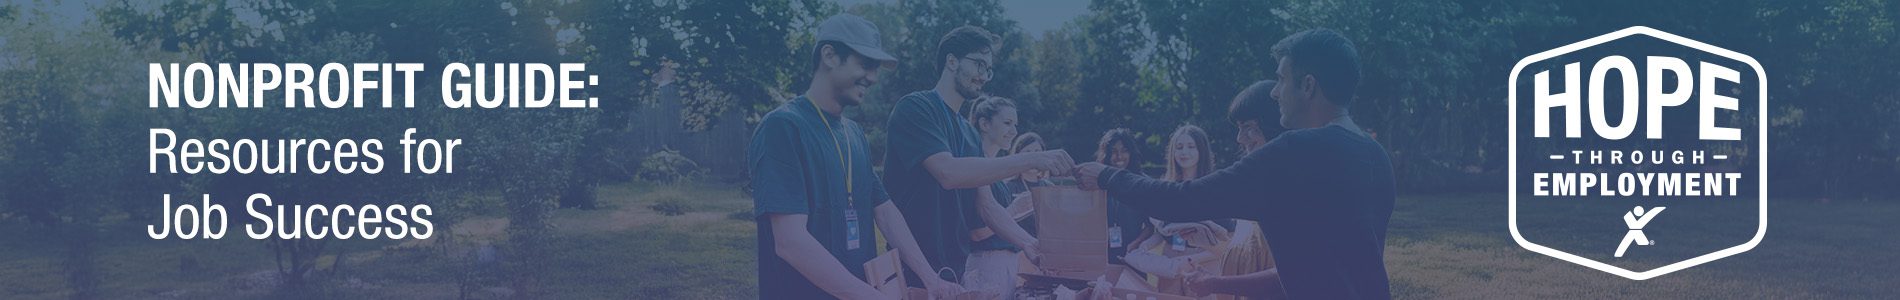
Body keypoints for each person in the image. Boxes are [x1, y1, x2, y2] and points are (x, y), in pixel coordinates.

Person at [1077, 29, 1396, 299]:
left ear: (1308, 85)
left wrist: (1107, 175)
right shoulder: (1376, 156)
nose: (1274, 92)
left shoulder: (1293, 151)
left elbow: (1180, 199)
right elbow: (1316, 267)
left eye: (1281, 78)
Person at [747, 14, 961, 299]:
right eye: (865, 64)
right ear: (830, 55)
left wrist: (930, 278)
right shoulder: (783, 127)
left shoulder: (854, 134)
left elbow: (885, 211)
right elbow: (790, 242)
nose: (872, 77)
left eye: (875, 68)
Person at [884, 25, 1074, 291]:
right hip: (911, 270)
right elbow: (947, 173)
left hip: (953, 270)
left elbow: (987, 206)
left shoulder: (968, 133)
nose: (984, 76)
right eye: (979, 65)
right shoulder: (916, 107)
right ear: (952, 61)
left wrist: (1027, 243)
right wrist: (1031, 159)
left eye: (988, 69)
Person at [1188, 80, 1293, 300]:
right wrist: (1213, 243)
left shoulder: (1290, 188)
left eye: (1248, 127)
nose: (1239, 138)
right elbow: (1253, 254)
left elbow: (1290, 274)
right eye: (1239, 128)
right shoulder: (1259, 183)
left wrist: (1214, 283)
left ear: (1273, 126)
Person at [1124, 125, 1234, 295]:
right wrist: (1143, 245)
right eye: (1179, 147)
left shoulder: (1214, 187)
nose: (1184, 152)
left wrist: (1189, 260)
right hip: (1170, 263)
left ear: (1201, 151)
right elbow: (1163, 230)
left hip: (1204, 262)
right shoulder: (1166, 187)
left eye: (1191, 147)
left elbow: (1226, 242)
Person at [959, 96, 1038, 294]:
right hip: (986, 265)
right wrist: (1014, 209)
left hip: (1005, 265)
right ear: (984, 124)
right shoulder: (976, 165)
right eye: (1007, 123)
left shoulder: (992, 167)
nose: (1014, 131)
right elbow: (976, 233)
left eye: (1015, 124)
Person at [1096, 128, 1150, 268]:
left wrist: (1135, 244)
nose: (1119, 156)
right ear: (1106, 154)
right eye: (1113, 151)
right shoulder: (1097, 183)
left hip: (1133, 255)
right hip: (1102, 256)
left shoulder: (1142, 183)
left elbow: (1151, 226)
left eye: (1124, 150)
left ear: (1131, 152)